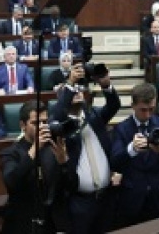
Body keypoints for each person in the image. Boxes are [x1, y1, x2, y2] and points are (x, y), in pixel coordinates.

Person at [52, 61, 120, 234]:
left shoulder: (95, 116)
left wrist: (105, 84)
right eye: (73, 91)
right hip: (80, 202)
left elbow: (113, 106)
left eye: (79, 89)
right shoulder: (60, 126)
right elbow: (58, 114)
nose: (77, 92)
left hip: (106, 198)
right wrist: (70, 83)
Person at [111, 83, 159, 227]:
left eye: (151, 109)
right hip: (133, 200)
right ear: (133, 105)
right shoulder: (121, 129)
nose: (147, 115)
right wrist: (132, 149)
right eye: (143, 110)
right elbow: (114, 161)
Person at [0, 100, 70, 234]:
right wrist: (34, 150)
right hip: (24, 224)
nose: (42, 127)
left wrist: (63, 162)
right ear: (22, 125)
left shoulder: (54, 149)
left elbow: (71, 185)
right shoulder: (10, 153)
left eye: (45, 122)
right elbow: (12, 183)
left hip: (52, 223)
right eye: (36, 123)